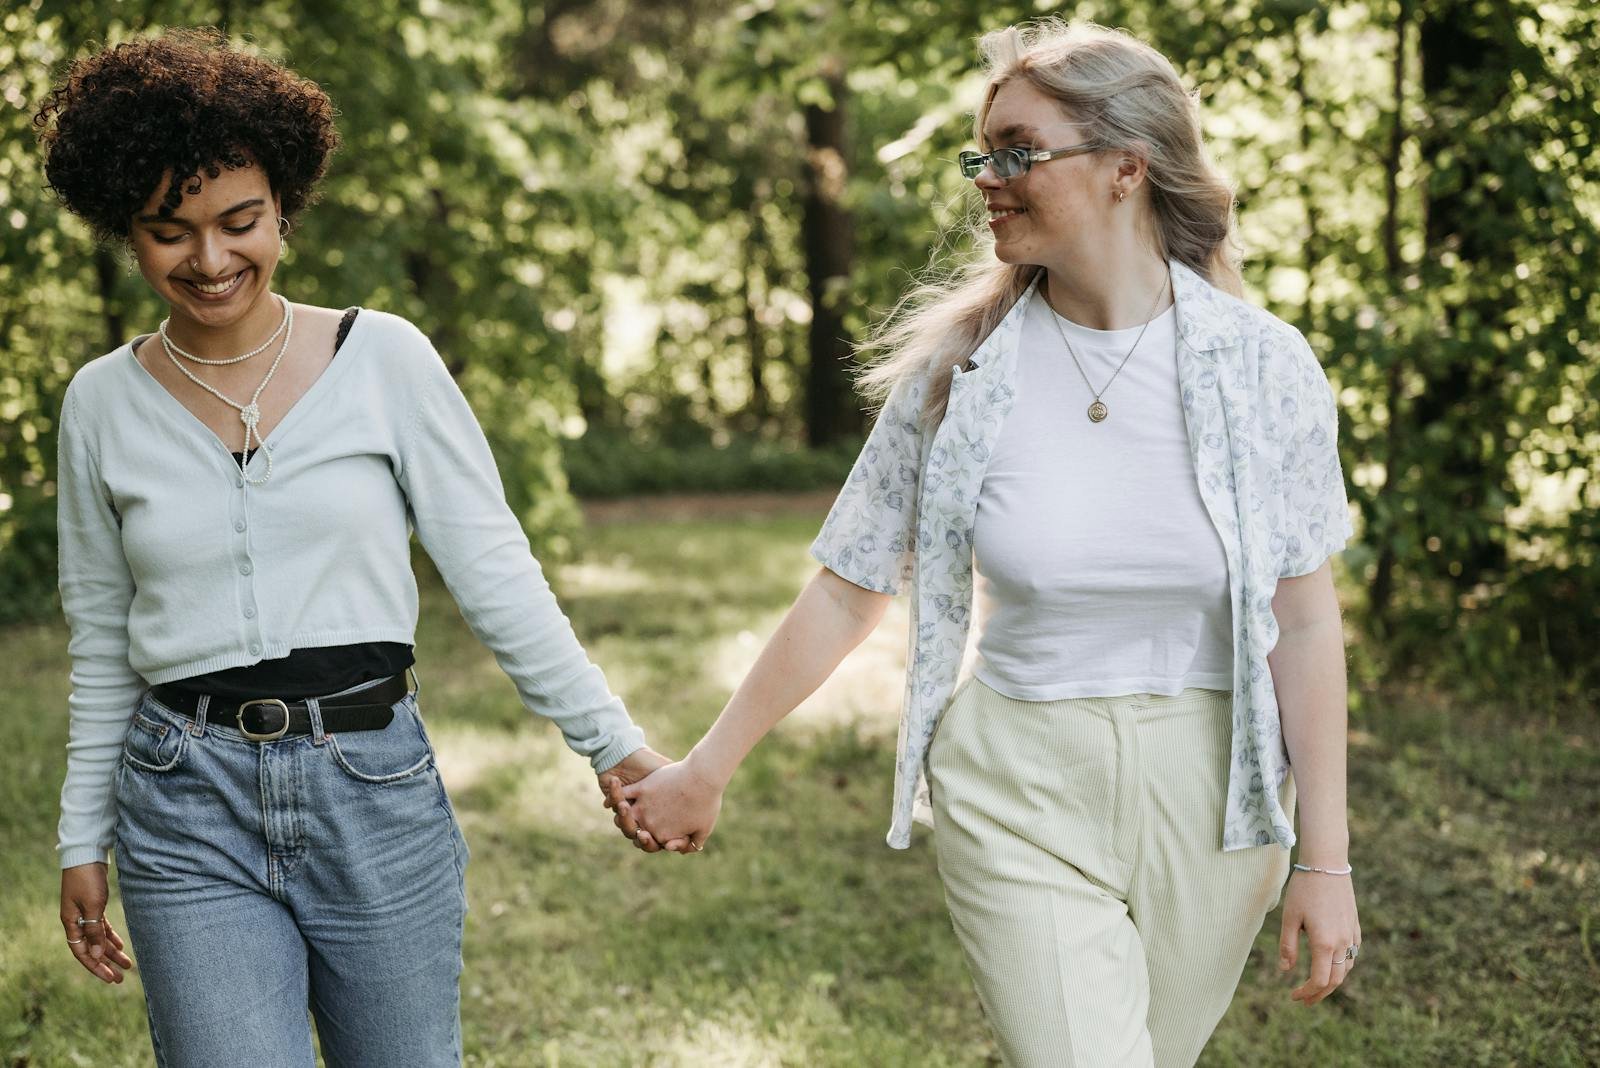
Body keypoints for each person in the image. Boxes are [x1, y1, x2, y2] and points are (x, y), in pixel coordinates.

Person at [606, 19, 1361, 1067]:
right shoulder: (959, 373)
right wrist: (708, 765)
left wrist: (1326, 860)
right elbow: (847, 587)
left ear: (1124, 170)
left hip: (1218, 796)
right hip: (1017, 781)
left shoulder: (1262, 367)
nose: (985, 178)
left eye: (1015, 150)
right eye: (981, 153)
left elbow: (1303, 615)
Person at [37, 28, 665, 1067]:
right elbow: (102, 638)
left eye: (239, 222)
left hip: (370, 787)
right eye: (168, 231)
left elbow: (494, 571)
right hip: (184, 799)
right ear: (126, 230)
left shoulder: (385, 361)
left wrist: (615, 746)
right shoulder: (100, 402)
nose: (209, 259)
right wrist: (79, 838)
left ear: (284, 203)